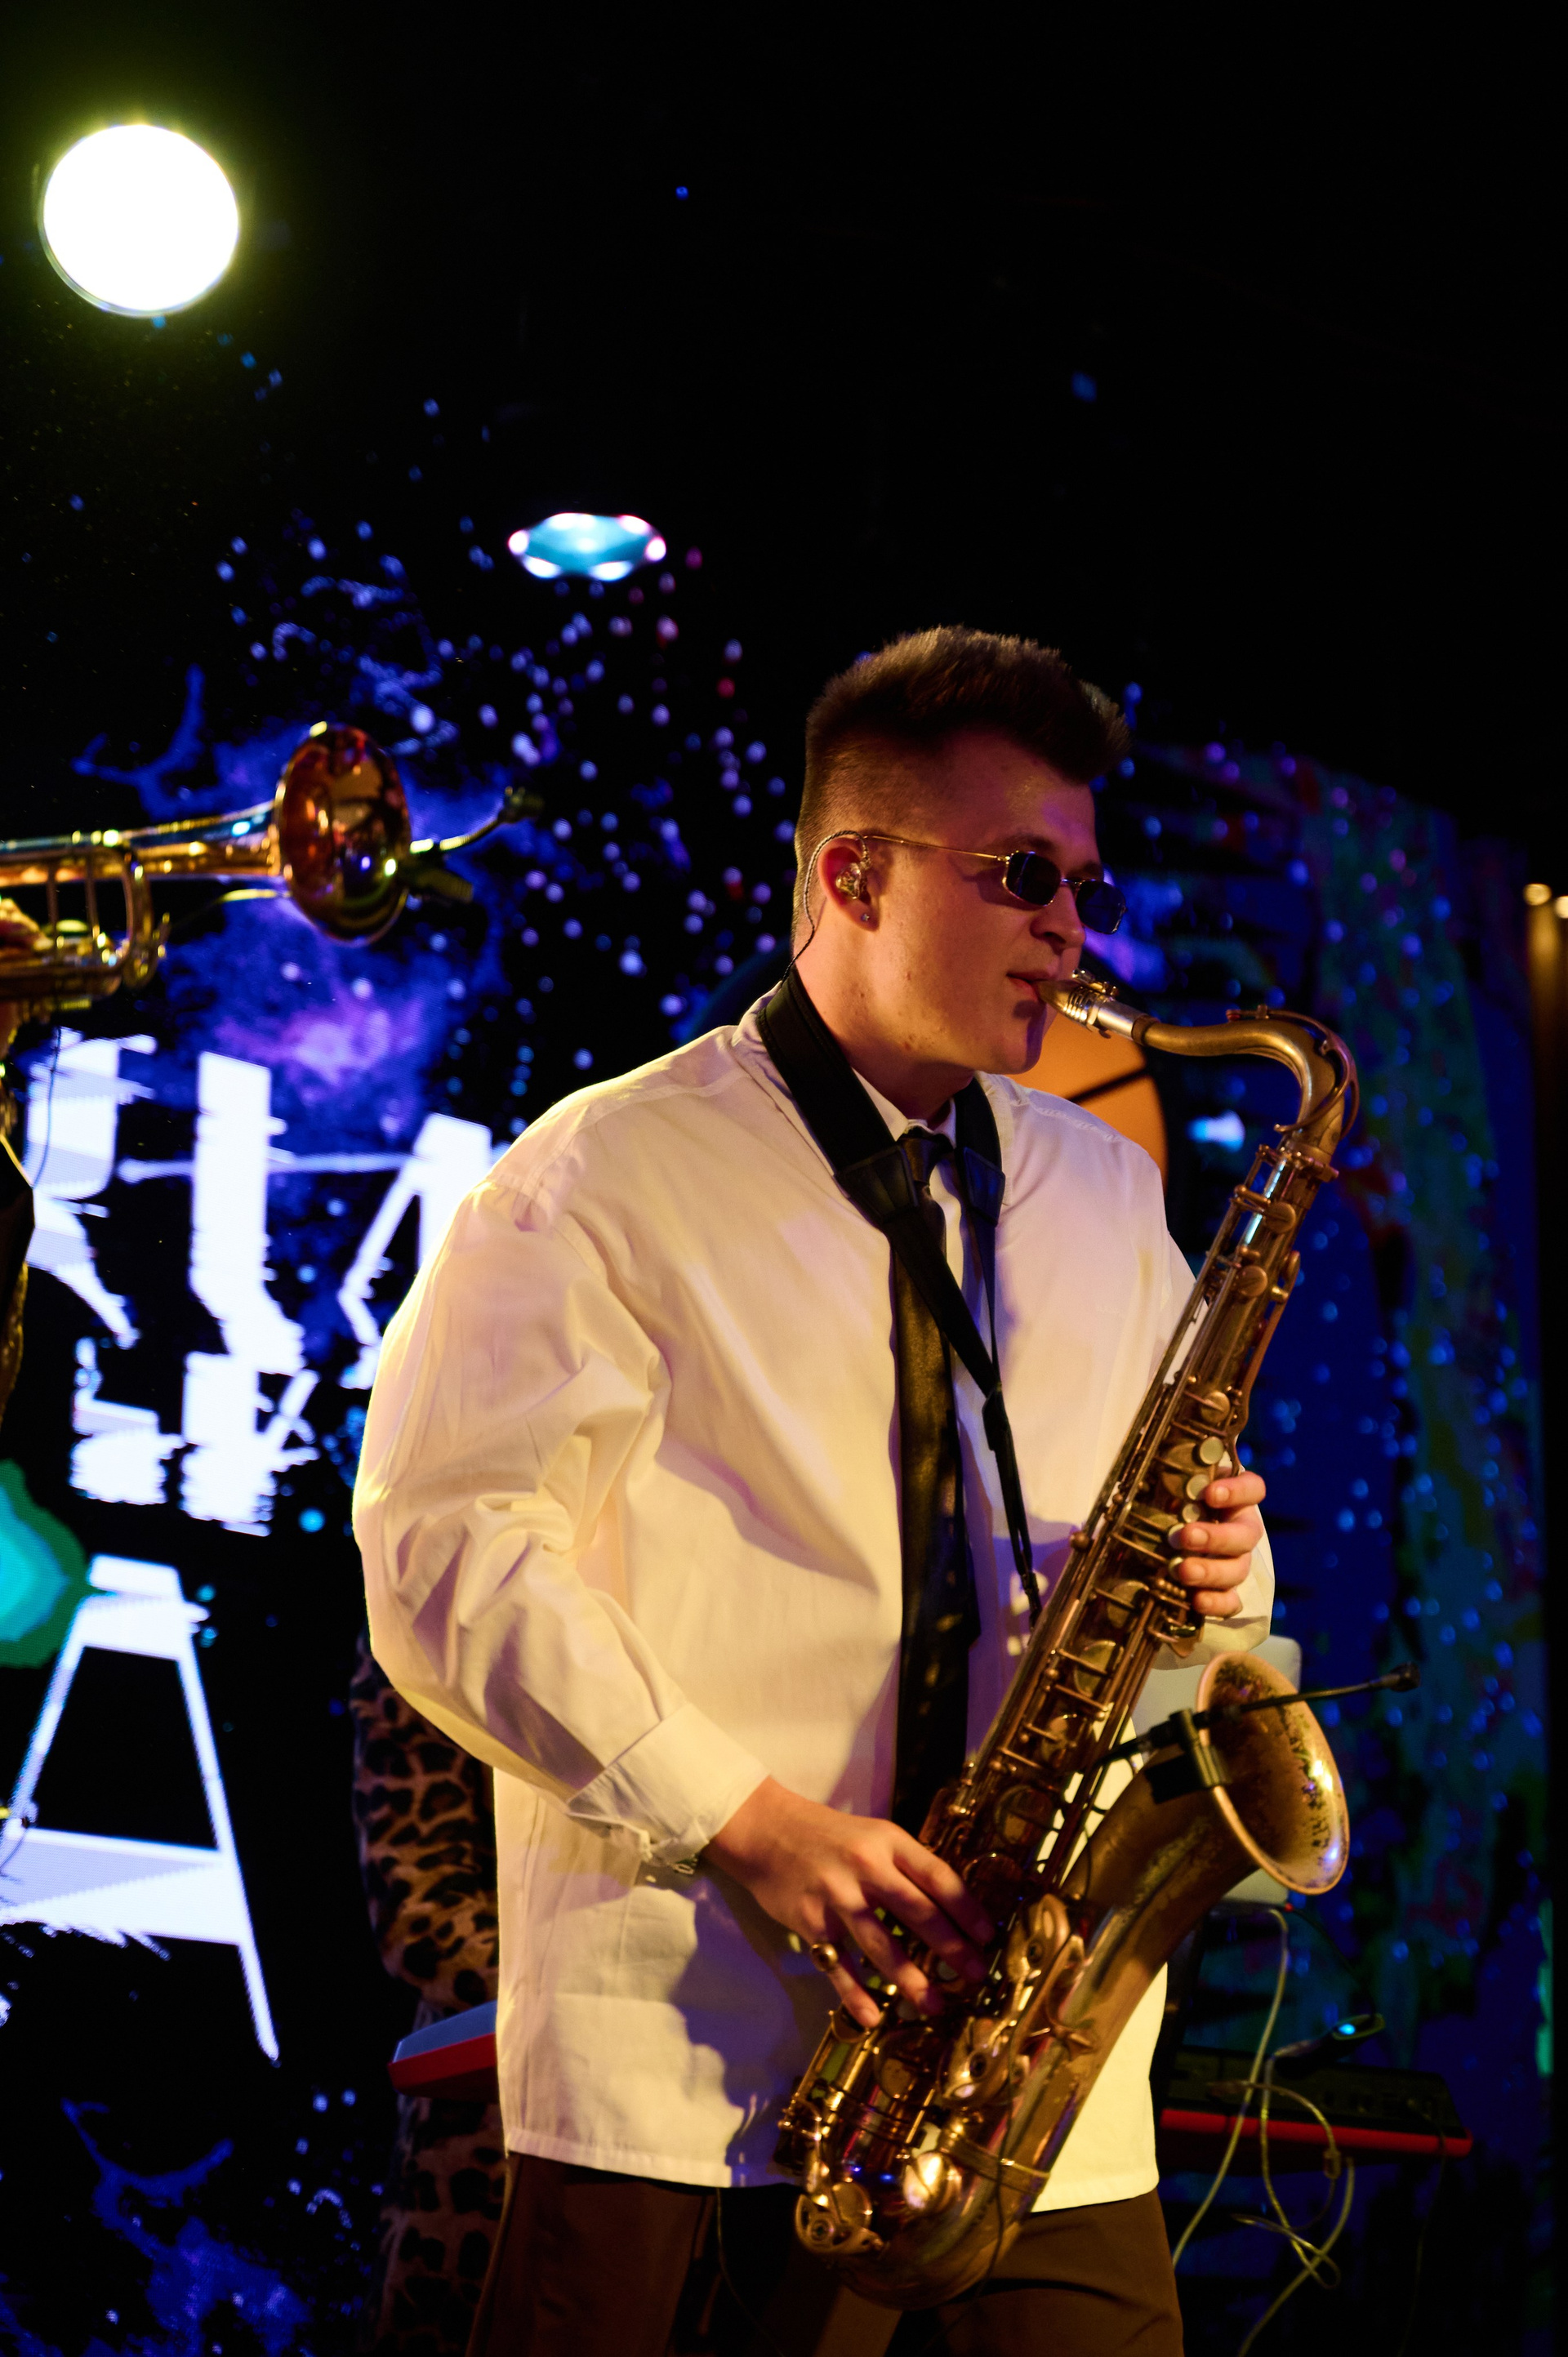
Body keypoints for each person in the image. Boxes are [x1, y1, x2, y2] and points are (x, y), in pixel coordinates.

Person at [354, 626, 1273, 2355]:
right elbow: (445, 1561)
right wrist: (750, 1819)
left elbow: (1176, 1564)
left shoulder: (1106, 1193)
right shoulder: (599, 1176)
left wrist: (1231, 1566)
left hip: (1033, 2075)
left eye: (1082, 883)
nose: (1072, 931)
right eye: (1022, 876)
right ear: (853, 874)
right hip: (683, 2060)